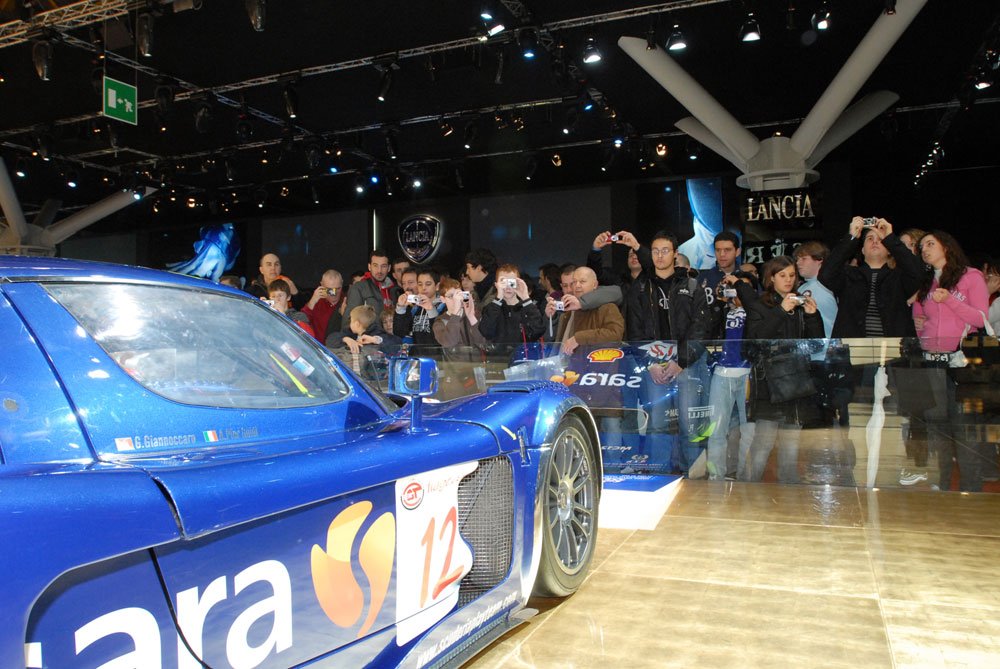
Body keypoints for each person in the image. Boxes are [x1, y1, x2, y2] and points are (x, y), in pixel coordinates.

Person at [625, 230, 713, 476]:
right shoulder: (640, 287)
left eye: (665, 251)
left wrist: (681, 361)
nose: (660, 256)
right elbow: (633, 331)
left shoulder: (692, 284)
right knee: (658, 424)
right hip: (655, 364)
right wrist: (650, 363)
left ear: (675, 254)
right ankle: (659, 477)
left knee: (689, 425)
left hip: (687, 363)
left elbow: (701, 328)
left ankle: (693, 478)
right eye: (655, 251)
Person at [913, 231, 990, 492]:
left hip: (962, 365)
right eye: (922, 246)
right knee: (939, 431)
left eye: (930, 244)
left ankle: (972, 492)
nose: (925, 249)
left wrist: (950, 301)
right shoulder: (926, 282)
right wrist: (918, 326)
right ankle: (943, 487)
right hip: (932, 364)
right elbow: (921, 318)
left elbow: (981, 319)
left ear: (947, 246)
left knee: (966, 432)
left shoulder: (971, 276)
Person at [744, 257, 824, 483]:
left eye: (792, 275)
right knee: (763, 444)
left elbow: (816, 345)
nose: (789, 280)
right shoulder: (759, 305)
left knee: (791, 446)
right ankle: (747, 492)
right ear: (771, 278)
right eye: (783, 275)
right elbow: (754, 343)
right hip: (770, 383)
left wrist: (812, 316)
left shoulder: (800, 305)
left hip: (796, 383)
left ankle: (789, 498)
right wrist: (780, 311)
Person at [818, 217, 924, 337]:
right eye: (869, 239)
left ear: (889, 250)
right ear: (862, 250)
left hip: (893, 349)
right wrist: (851, 237)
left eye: (880, 239)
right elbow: (825, 275)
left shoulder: (900, 277)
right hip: (854, 349)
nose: (875, 242)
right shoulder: (848, 275)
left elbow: (918, 273)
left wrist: (889, 238)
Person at [703, 271, 759, 480]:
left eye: (742, 287)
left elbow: (757, 315)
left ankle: (746, 476)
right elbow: (707, 330)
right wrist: (719, 301)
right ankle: (716, 476)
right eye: (734, 286)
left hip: (748, 374)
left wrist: (745, 300)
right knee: (716, 429)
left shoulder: (757, 311)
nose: (737, 291)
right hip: (722, 373)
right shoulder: (724, 310)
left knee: (749, 431)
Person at [552, 267, 625, 355]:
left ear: (595, 284)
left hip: (598, 365)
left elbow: (615, 334)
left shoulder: (608, 307)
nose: (577, 285)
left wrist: (579, 338)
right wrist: (550, 316)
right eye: (574, 282)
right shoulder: (569, 311)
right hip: (570, 365)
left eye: (582, 281)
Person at [478, 264, 545, 348]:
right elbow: (486, 332)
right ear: (496, 285)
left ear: (518, 283)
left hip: (522, 358)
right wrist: (498, 299)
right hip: (497, 359)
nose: (508, 287)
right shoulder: (492, 308)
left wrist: (526, 298)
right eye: (503, 282)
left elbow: (538, 330)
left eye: (511, 282)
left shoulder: (527, 308)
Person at [793, 241, 838, 338]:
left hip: (828, 346)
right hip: (808, 346)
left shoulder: (830, 285)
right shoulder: (801, 287)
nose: (798, 263)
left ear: (819, 259)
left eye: (803, 258)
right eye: (797, 259)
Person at [393, 267, 445, 351]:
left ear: (437, 286)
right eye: (420, 284)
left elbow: (442, 336)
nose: (423, 288)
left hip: (438, 358)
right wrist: (401, 308)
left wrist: (430, 309)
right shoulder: (414, 308)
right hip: (417, 357)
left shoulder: (444, 306)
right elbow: (399, 332)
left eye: (428, 284)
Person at [344, 249, 398, 320]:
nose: (379, 270)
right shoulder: (358, 288)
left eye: (383, 266)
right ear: (369, 267)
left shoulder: (395, 290)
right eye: (375, 265)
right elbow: (349, 321)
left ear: (389, 268)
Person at [301, 269, 345, 344]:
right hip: (319, 348)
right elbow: (302, 322)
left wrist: (345, 314)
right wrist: (312, 301)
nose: (334, 293)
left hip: (340, 348)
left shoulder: (347, 300)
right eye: (330, 290)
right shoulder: (316, 302)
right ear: (321, 285)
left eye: (338, 288)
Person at [465, 248, 498, 312]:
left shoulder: (498, 292)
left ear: (479, 268)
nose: (467, 272)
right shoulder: (477, 291)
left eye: (469, 268)